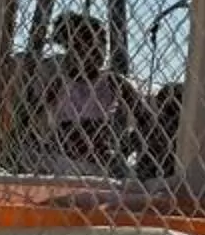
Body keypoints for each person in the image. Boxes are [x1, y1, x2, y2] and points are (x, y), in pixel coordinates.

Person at [17, 13, 137, 178]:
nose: (96, 48)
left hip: (101, 157)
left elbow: (145, 118)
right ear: (71, 47)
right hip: (63, 156)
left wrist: (127, 146)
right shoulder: (59, 82)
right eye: (86, 41)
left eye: (102, 41)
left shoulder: (114, 82)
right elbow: (30, 118)